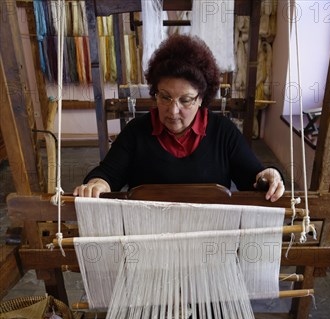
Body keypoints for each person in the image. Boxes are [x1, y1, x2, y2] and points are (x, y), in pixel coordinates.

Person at [74, 34, 284, 201]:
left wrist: (269, 176)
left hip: (209, 238)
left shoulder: (223, 133)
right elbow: (108, 174)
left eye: (185, 100)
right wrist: (98, 184)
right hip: (150, 237)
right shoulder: (136, 133)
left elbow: (254, 179)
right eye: (165, 97)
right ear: (155, 93)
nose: (173, 111)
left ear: (201, 98)